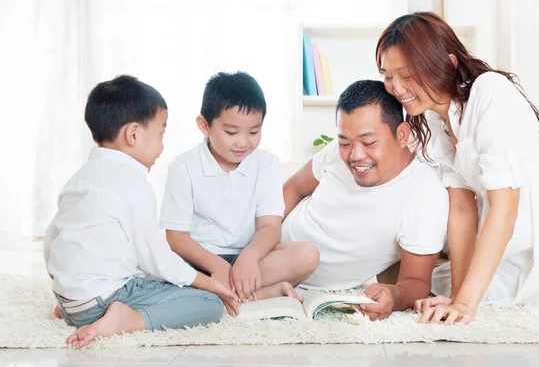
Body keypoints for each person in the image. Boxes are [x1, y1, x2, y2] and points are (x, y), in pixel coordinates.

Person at [376, 12, 539, 324]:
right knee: (405, 280)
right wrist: (459, 295)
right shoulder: (436, 122)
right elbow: (461, 209)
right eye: (387, 75)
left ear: (446, 63)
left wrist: (465, 305)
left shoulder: (490, 91)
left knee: (427, 290)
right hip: (506, 235)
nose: (395, 87)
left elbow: (505, 208)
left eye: (406, 75)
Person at [44, 75, 237, 349]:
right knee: (208, 304)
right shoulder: (133, 184)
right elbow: (154, 258)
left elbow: (52, 237)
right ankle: (126, 319)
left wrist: (67, 290)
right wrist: (207, 283)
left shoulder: (79, 179)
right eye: (160, 134)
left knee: (148, 279)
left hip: (70, 301)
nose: (162, 145)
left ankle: (75, 311)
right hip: (103, 299)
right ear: (133, 134)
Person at [282, 79, 449, 320]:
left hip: (303, 282)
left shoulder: (425, 194)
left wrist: (393, 295)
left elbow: (416, 282)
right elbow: (293, 189)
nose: (355, 155)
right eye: (344, 143)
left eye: (369, 142)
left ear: (402, 135)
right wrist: (257, 242)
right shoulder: (336, 154)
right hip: (268, 245)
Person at [160, 71, 319, 316]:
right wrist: (217, 267)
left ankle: (223, 296)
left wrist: (250, 257)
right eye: (232, 133)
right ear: (205, 125)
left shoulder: (265, 164)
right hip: (201, 261)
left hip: (249, 260)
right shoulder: (183, 167)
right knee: (156, 269)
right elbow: (176, 237)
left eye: (254, 132)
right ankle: (256, 295)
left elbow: (269, 226)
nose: (243, 142)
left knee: (306, 255)